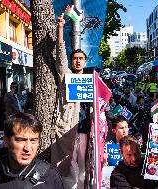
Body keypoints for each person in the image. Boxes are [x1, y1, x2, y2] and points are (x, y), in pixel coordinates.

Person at [0, 113, 64, 189]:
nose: (27, 148)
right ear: (6, 141)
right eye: (20, 140)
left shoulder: (50, 176)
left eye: (33, 140)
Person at [51, 13, 90, 189]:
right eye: (75, 58)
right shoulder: (66, 76)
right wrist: (60, 28)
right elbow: (60, 57)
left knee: (84, 168)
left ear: (85, 61)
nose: (78, 61)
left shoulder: (91, 81)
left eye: (81, 58)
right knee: (65, 168)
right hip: (66, 130)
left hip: (86, 130)